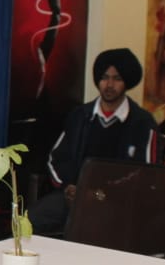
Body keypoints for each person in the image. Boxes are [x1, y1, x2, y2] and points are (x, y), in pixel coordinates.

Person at [29, 48, 157, 234]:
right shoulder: (80, 116)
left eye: (117, 79)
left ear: (127, 82)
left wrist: (98, 193)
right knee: (27, 222)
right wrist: (68, 187)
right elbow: (55, 159)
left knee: (93, 227)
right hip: (73, 196)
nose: (109, 85)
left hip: (117, 202)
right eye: (104, 78)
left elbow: (147, 174)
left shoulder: (142, 122)